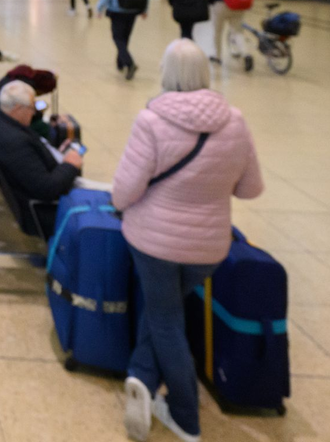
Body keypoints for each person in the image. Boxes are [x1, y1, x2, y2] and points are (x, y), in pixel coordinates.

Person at [112, 39, 264, 442]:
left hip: (155, 245)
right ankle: (142, 377)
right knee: (167, 309)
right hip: (209, 249)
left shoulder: (151, 121)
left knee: (164, 319)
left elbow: (124, 192)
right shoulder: (235, 121)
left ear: (165, 72)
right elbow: (250, 189)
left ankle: (184, 415)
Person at [0, 81, 84, 232]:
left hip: (25, 191)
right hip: (41, 211)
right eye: (31, 108)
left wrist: (56, 155)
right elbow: (47, 189)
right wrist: (69, 165)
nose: (34, 112)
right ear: (17, 109)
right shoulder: (16, 141)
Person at [97, 0, 150, 80]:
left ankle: (129, 63)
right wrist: (145, 9)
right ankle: (120, 63)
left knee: (117, 38)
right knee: (125, 37)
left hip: (117, 10)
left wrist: (100, 7)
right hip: (133, 10)